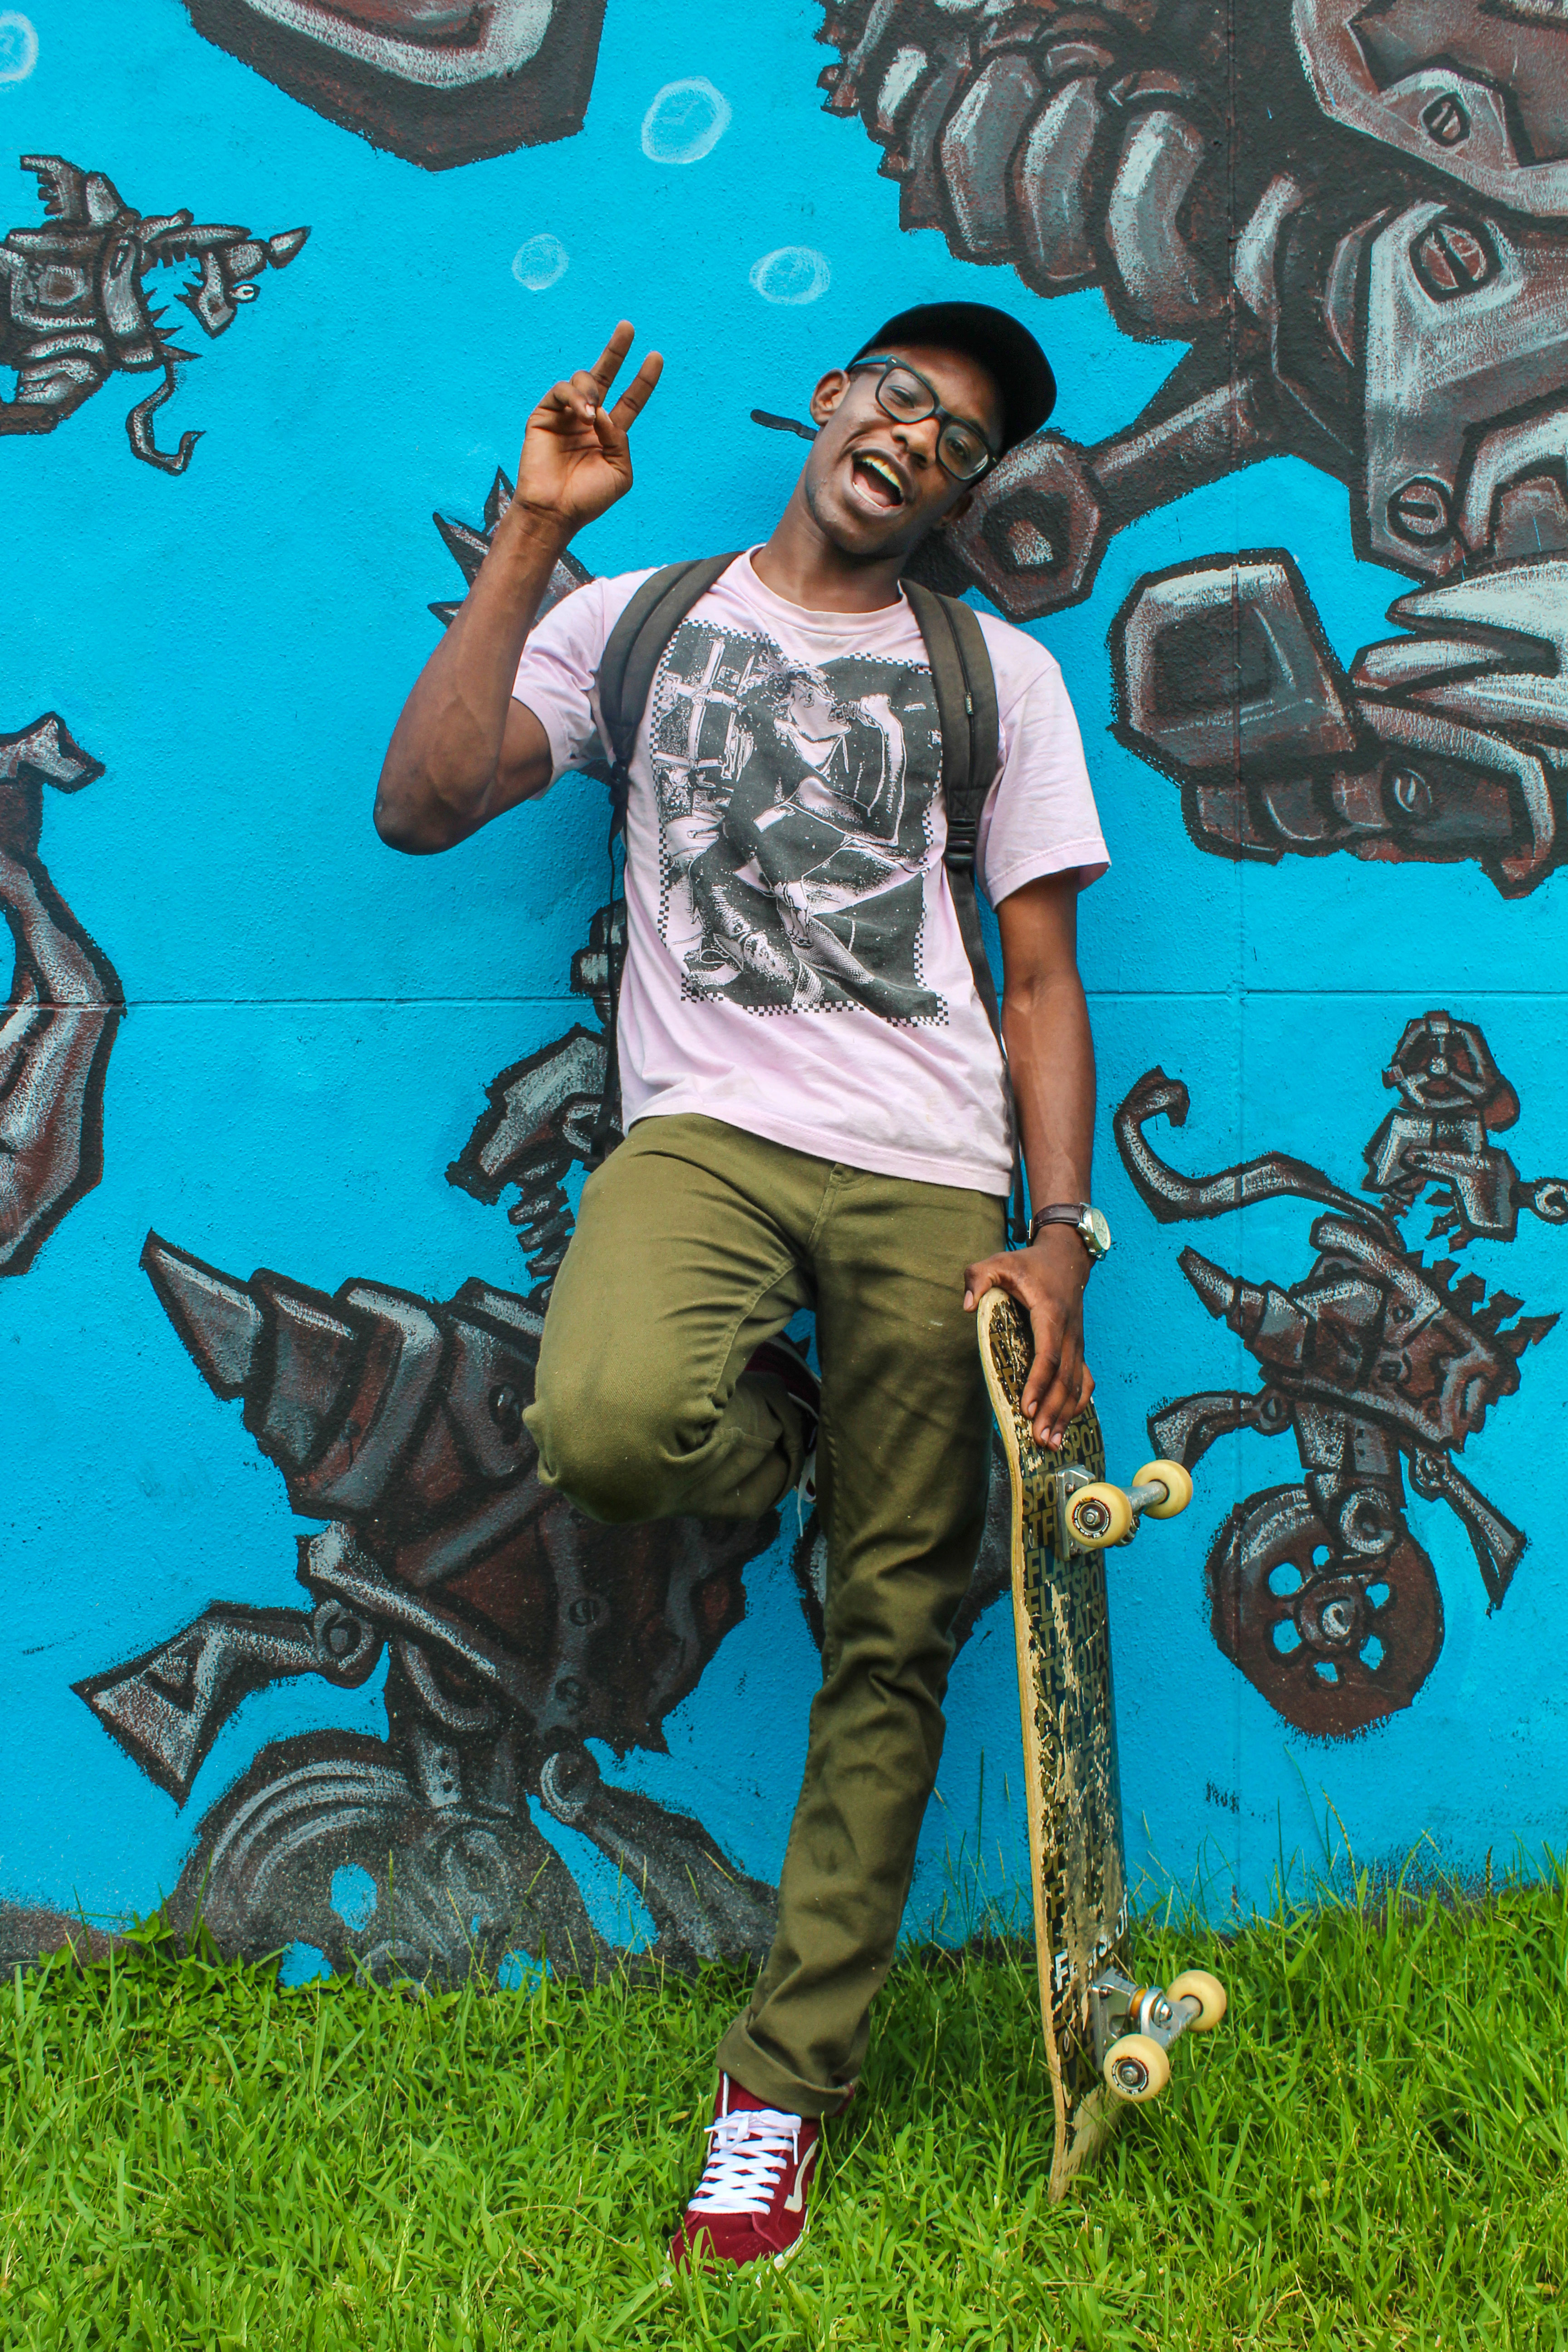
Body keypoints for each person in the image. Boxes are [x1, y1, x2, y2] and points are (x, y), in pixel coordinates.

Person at [374, 303, 1112, 2270]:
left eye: (957, 439)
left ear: (962, 492)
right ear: (829, 404)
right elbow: (425, 801)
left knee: (896, 1625)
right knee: (612, 1425)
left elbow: (1038, 979)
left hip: (933, 1174)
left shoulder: (999, 676)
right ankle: (798, 1437)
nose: (913, 439)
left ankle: (779, 2091)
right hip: (703, 1136)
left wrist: (1058, 1234)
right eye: (897, 393)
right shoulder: (638, 613)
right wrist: (533, 531)